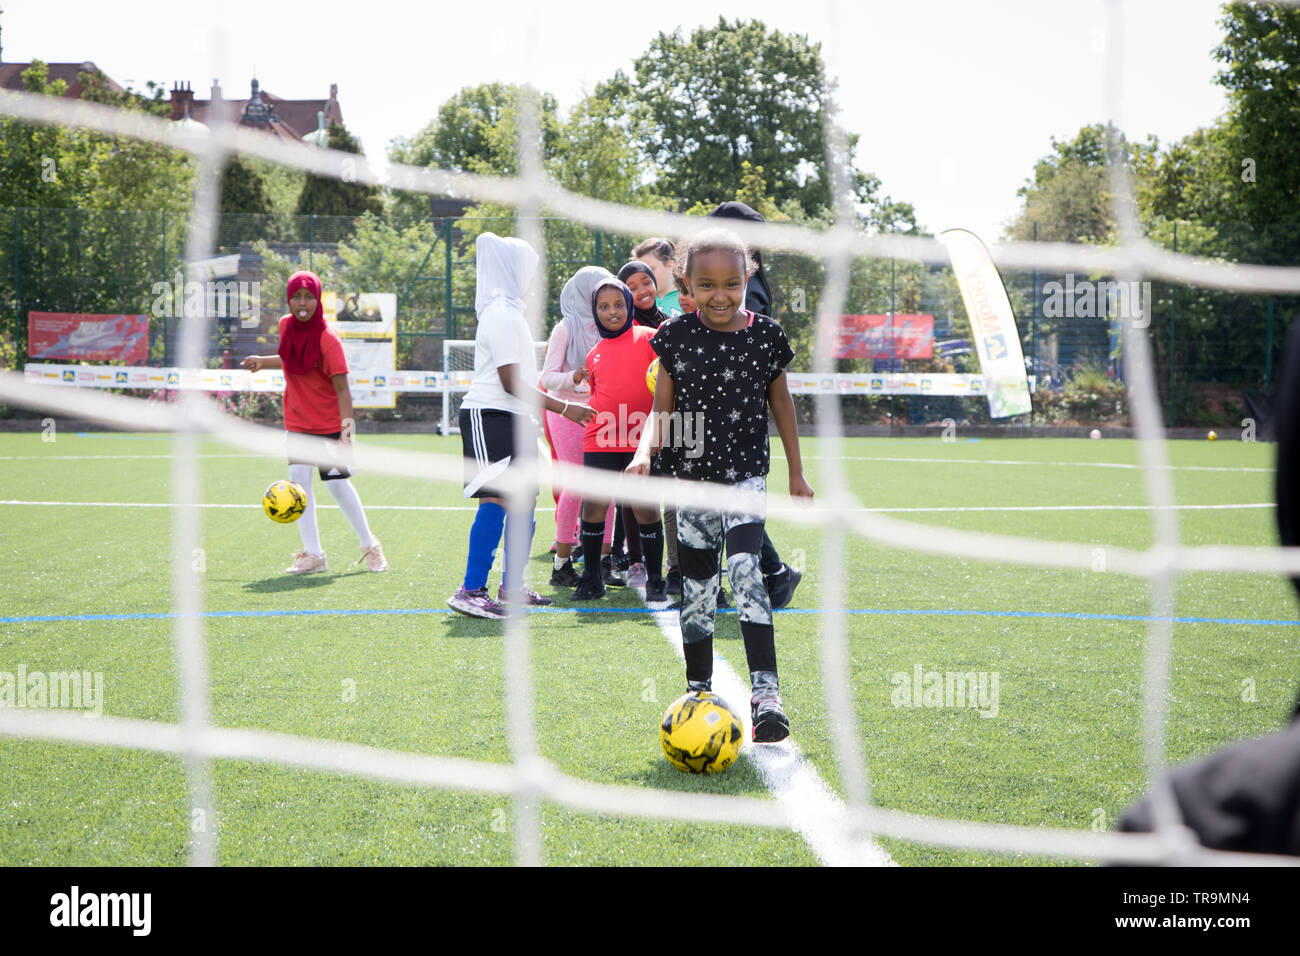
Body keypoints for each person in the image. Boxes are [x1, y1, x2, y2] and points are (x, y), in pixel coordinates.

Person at [629, 227, 813, 742]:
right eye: (706, 285)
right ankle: (698, 689)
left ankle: (767, 696)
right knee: (699, 588)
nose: (720, 295)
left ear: (746, 278)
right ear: (687, 283)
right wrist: (644, 453)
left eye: (731, 283)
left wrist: (797, 471)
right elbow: (660, 410)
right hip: (691, 482)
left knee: (746, 569)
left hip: (746, 478)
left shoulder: (766, 336)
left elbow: (782, 404)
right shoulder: (675, 336)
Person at [447, 233, 595, 619]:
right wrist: (564, 408)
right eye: (528, 270)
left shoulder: (509, 311)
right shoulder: (501, 314)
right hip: (489, 415)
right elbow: (511, 382)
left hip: (513, 418)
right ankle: (471, 590)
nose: (531, 277)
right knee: (496, 499)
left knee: (526, 501)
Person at [241, 270, 387, 575]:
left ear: (317, 298)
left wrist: (346, 435)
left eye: (308, 296)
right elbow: (291, 356)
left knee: (337, 487)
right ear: (289, 299)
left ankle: (370, 546)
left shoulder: (327, 339)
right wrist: (262, 361)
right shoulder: (285, 326)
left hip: (330, 426)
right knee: (299, 490)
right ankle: (313, 555)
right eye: (296, 296)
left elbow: (343, 390)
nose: (302, 302)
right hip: (297, 423)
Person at [707, 200, 801, 610]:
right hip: (713, 405)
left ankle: (766, 576)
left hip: (734, 410)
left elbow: (743, 344)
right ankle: (776, 573)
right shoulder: (732, 275)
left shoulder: (750, 285)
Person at [573, 277, 667, 603]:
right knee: (594, 506)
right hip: (600, 437)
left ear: (628, 306)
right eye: (603, 306)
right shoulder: (594, 353)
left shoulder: (650, 338)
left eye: (618, 304)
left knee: (644, 507)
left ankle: (656, 579)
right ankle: (591, 579)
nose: (611, 312)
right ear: (595, 312)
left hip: (641, 439)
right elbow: (600, 394)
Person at [539, 266, 620, 588]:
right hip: (567, 413)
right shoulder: (565, 329)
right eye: (596, 293)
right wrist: (572, 377)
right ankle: (562, 563)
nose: (604, 302)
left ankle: (603, 561)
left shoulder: (611, 328)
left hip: (604, 413)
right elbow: (546, 378)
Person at [633, 237, 681, 317]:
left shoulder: (687, 299)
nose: (646, 277)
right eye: (641, 272)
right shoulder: (640, 302)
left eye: (651, 270)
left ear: (670, 266)